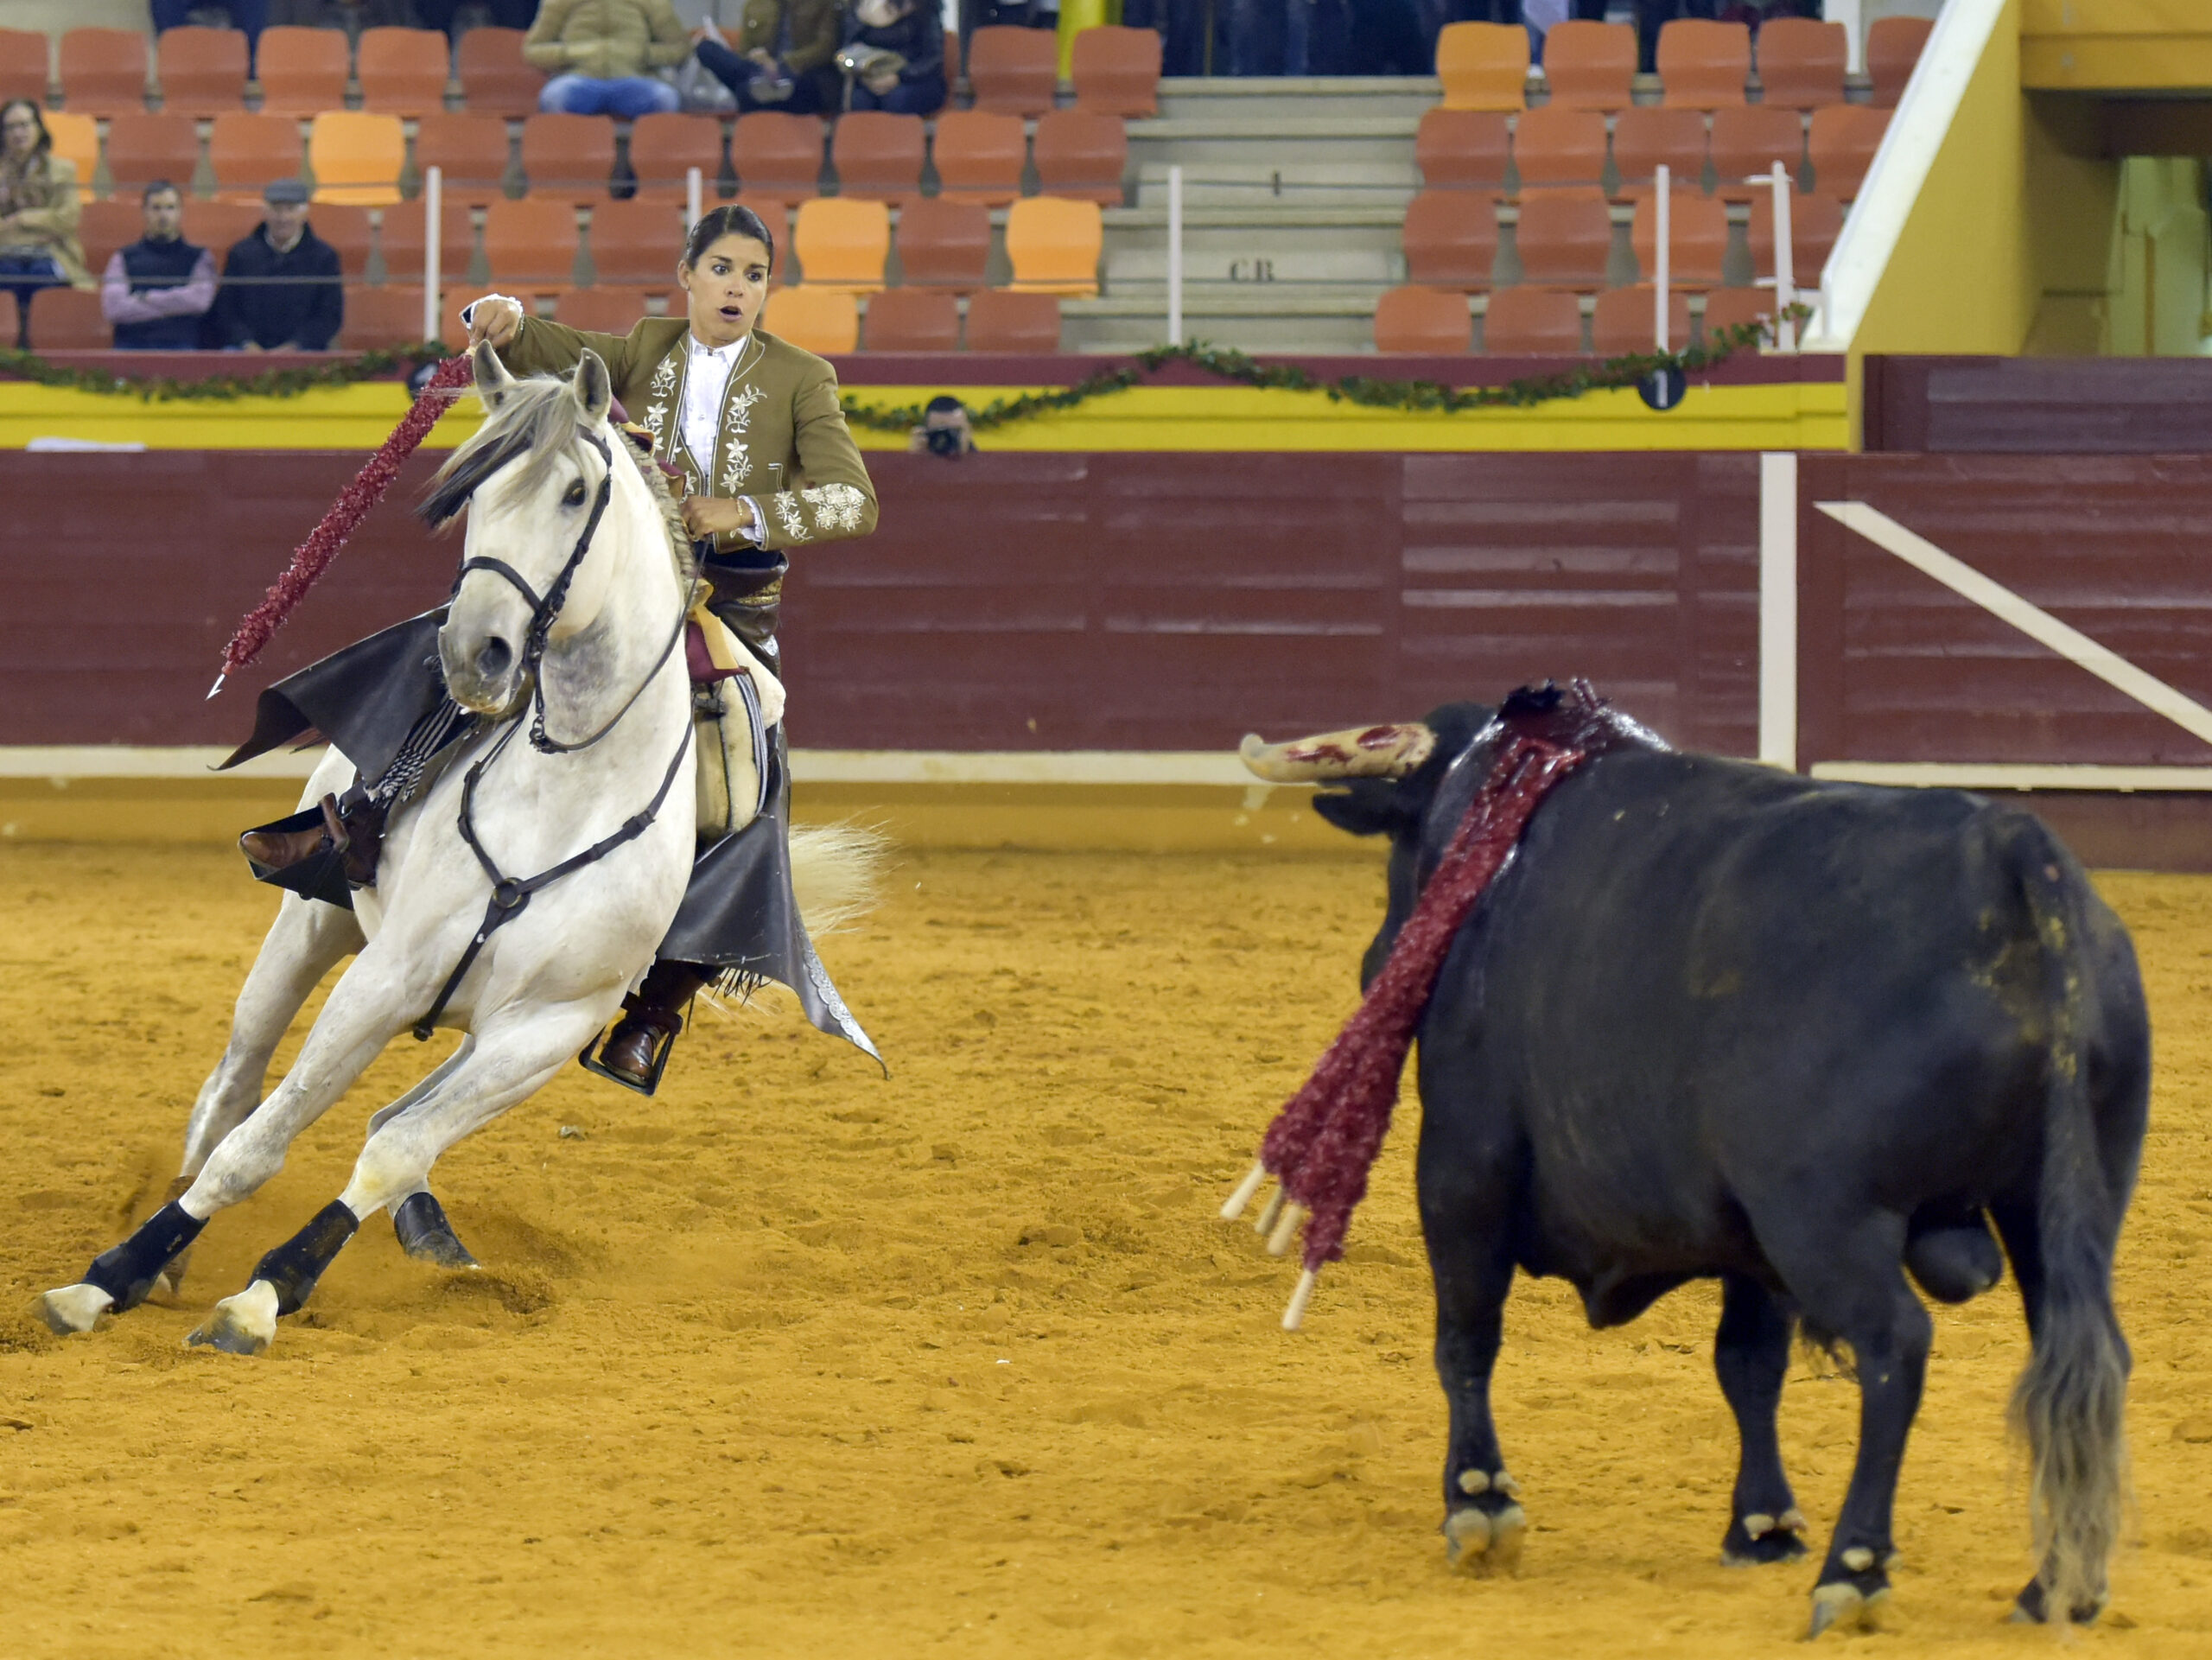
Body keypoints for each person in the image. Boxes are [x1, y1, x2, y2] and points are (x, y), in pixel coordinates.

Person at [238, 204, 880, 1091]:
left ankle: (659, 1000)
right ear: (687, 275)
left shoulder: (803, 379)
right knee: (457, 642)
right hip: (604, 588)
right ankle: (355, 817)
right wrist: (499, 311)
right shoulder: (639, 350)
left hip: (715, 610)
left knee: (748, 757)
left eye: (755, 274)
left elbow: (854, 501)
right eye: (723, 268)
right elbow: (541, 346)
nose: (738, 287)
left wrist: (745, 512)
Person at [0, 100, 94, 347]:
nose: (18, 133)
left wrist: (21, 219)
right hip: (4, 254)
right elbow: (54, 220)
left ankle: (43, 351)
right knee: (9, 275)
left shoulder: (63, 170)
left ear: (39, 128)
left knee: (41, 275)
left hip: (52, 253)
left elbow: (67, 220)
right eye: (10, 127)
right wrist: (40, 227)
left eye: (23, 125)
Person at [208, 179, 342, 353]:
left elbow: (329, 316)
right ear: (264, 212)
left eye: (291, 209)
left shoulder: (324, 257)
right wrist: (247, 343)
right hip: (245, 349)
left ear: (305, 213)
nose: (283, 218)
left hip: (303, 350)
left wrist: (295, 346)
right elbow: (226, 310)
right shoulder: (241, 254)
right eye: (276, 210)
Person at [100, 181, 218, 351]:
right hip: (131, 346)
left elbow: (198, 301)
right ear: (144, 212)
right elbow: (114, 309)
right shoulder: (123, 257)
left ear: (180, 212)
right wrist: (175, 303)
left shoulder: (200, 257)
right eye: (156, 208)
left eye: (170, 208)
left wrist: (144, 298)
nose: (163, 215)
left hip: (181, 346)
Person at [526, 0, 690, 118]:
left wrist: (644, 54)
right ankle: (564, 163)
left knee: (666, 98)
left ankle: (649, 164)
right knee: (554, 97)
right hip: (578, 80)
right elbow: (532, 49)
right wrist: (571, 53)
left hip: (635, 80)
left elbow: (680, 47)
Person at [691, 0, 841, 116]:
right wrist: (758, 59)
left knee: (745, 90)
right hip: (758, 74)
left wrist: (782, 64)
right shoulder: (755, 6)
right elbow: (744, 52)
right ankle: (760, 81)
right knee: (706, 49)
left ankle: (769, 82)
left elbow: (826, 47)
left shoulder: (823, 3)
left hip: (802, 77)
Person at [841, 0, 948, 116]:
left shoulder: (924, 6)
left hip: (915, 78)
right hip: (870, 77)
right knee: (860, 100)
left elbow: (933, 59)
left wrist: (898, 77)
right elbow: (848, 51)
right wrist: (865, 75)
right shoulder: (858, 8)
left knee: (897, 99)